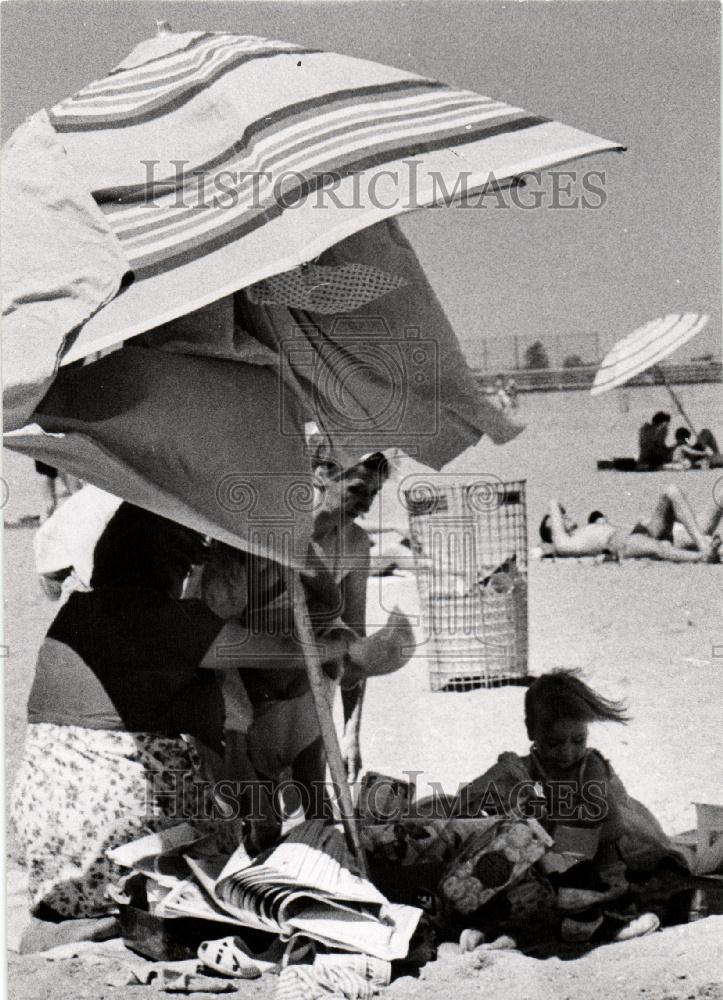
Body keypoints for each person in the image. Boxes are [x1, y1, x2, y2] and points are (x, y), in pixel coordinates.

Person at [12, 502, 400, 950]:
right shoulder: (173, 620)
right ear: (168, 564)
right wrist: (340, 647)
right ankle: (148, 907)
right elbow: (284, 654)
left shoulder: (75, 612)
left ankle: (88, 910)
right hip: (113, 822)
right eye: (184, 563)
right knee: (219, 836)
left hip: (45, 826)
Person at [454, 671, 681, 944]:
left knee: (578, 891)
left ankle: (575, 925)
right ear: (531, 731)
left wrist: (558, 829)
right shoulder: (523, 769)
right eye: (554, 743)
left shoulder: (589, 767)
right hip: (549, 867)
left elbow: (614, 827)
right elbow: (468, 799)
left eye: (578, 740)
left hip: (600, 857)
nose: (567, 752)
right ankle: (498, 928)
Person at [538, 486, 721, 562]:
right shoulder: (565, 544)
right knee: (660, 548)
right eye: (556, 521)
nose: (563, 518)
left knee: (670, 491)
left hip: (638, 531)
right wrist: (555, 517)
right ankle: (701, 556)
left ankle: (702, 544)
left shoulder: (583, 531)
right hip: (620, 542)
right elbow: (554, 503)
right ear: (553, 530)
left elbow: (558, 507)